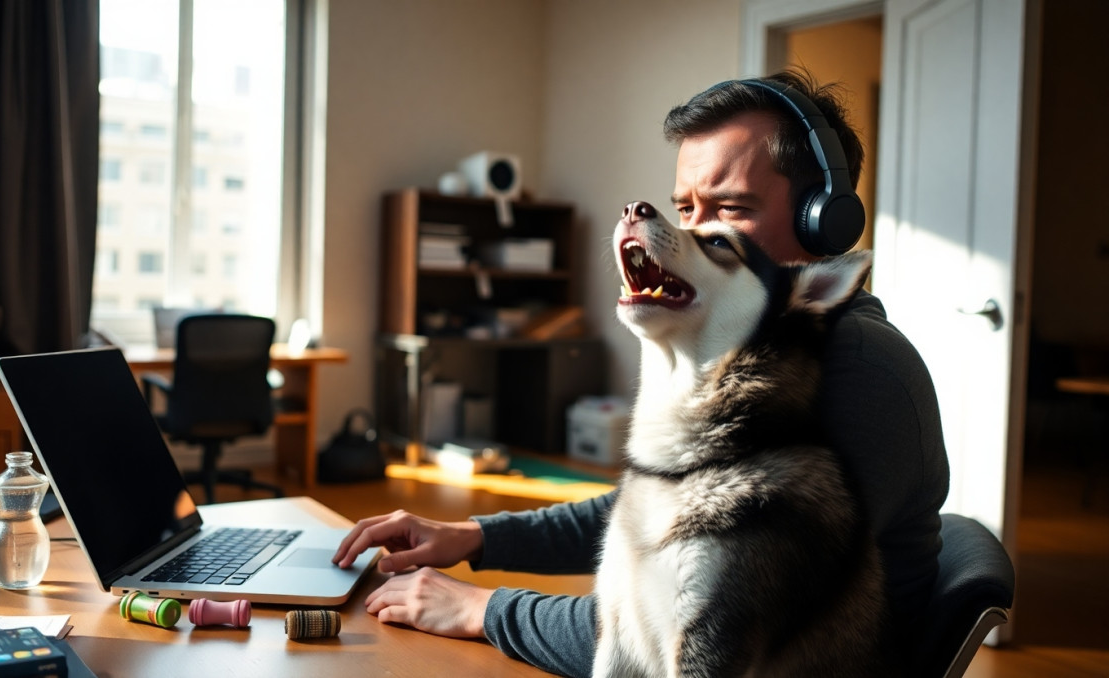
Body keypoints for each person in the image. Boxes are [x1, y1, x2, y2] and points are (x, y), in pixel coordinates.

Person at [333, 69, 950, 678]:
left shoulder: (861, 373)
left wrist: (480, 608)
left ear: (825, 222)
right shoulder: (773, 355)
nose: (689, 231)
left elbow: (681, 636)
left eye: (729, 209)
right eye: (686, 207)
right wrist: (478, 537)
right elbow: (670, 509)